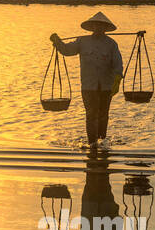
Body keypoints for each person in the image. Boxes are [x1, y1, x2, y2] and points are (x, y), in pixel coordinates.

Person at [51, 11, 124, 147]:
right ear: (92, 27)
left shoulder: (111, 44)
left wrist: (117, 80)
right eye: (96, 26)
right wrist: (58, 42)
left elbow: (117, 63)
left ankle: (102, 142)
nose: (98, 28)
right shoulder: (82, 41)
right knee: (91, 114)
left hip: (106, 86)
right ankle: (92, 144)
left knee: (103, 114)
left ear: (105, 28)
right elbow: (67, 50)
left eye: (101, 26)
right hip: (88, 86)